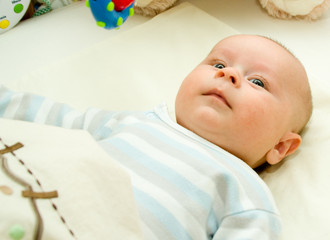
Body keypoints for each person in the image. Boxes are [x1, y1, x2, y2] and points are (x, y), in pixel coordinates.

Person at [0, 34, 312, 240]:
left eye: (257, 81)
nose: (228, 75)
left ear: (281, 146)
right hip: (26, 205)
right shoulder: (133, 122)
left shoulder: (245, 192)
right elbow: (52, 118)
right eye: (218, 63)